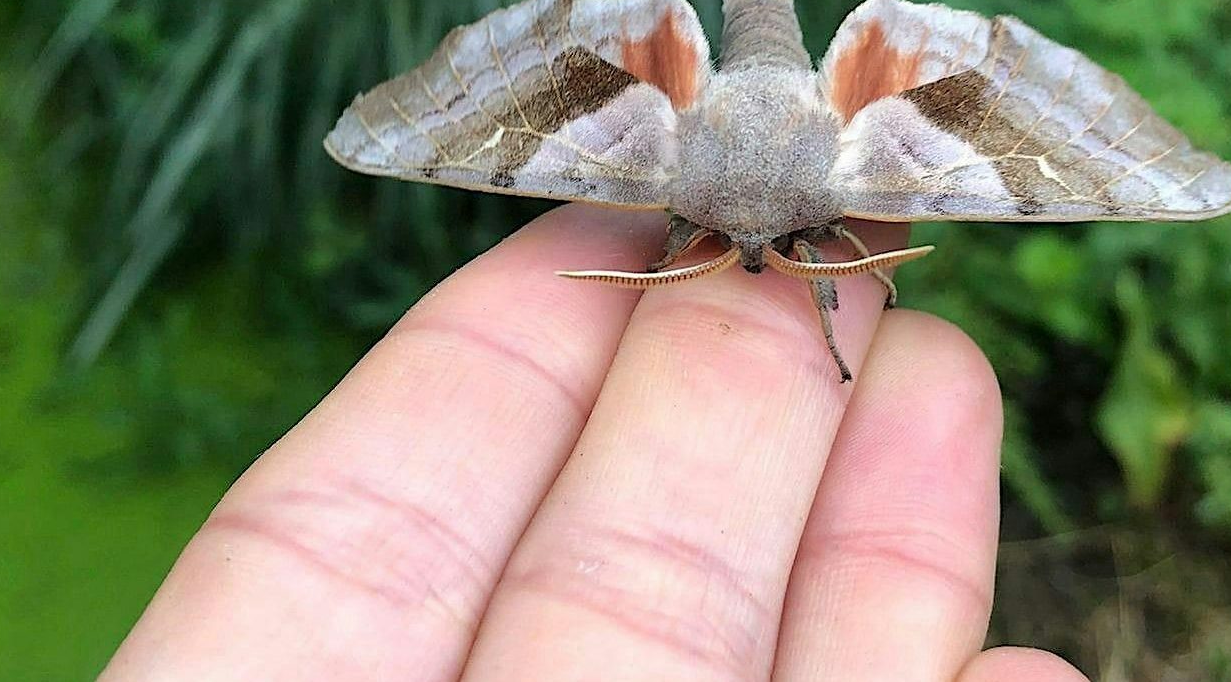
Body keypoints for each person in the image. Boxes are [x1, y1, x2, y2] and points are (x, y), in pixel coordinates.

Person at [103, 205, 1089, 681]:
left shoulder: (820, 219)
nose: (751, 264)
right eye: (731, 246)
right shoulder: (702, 213)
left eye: (769, 251)